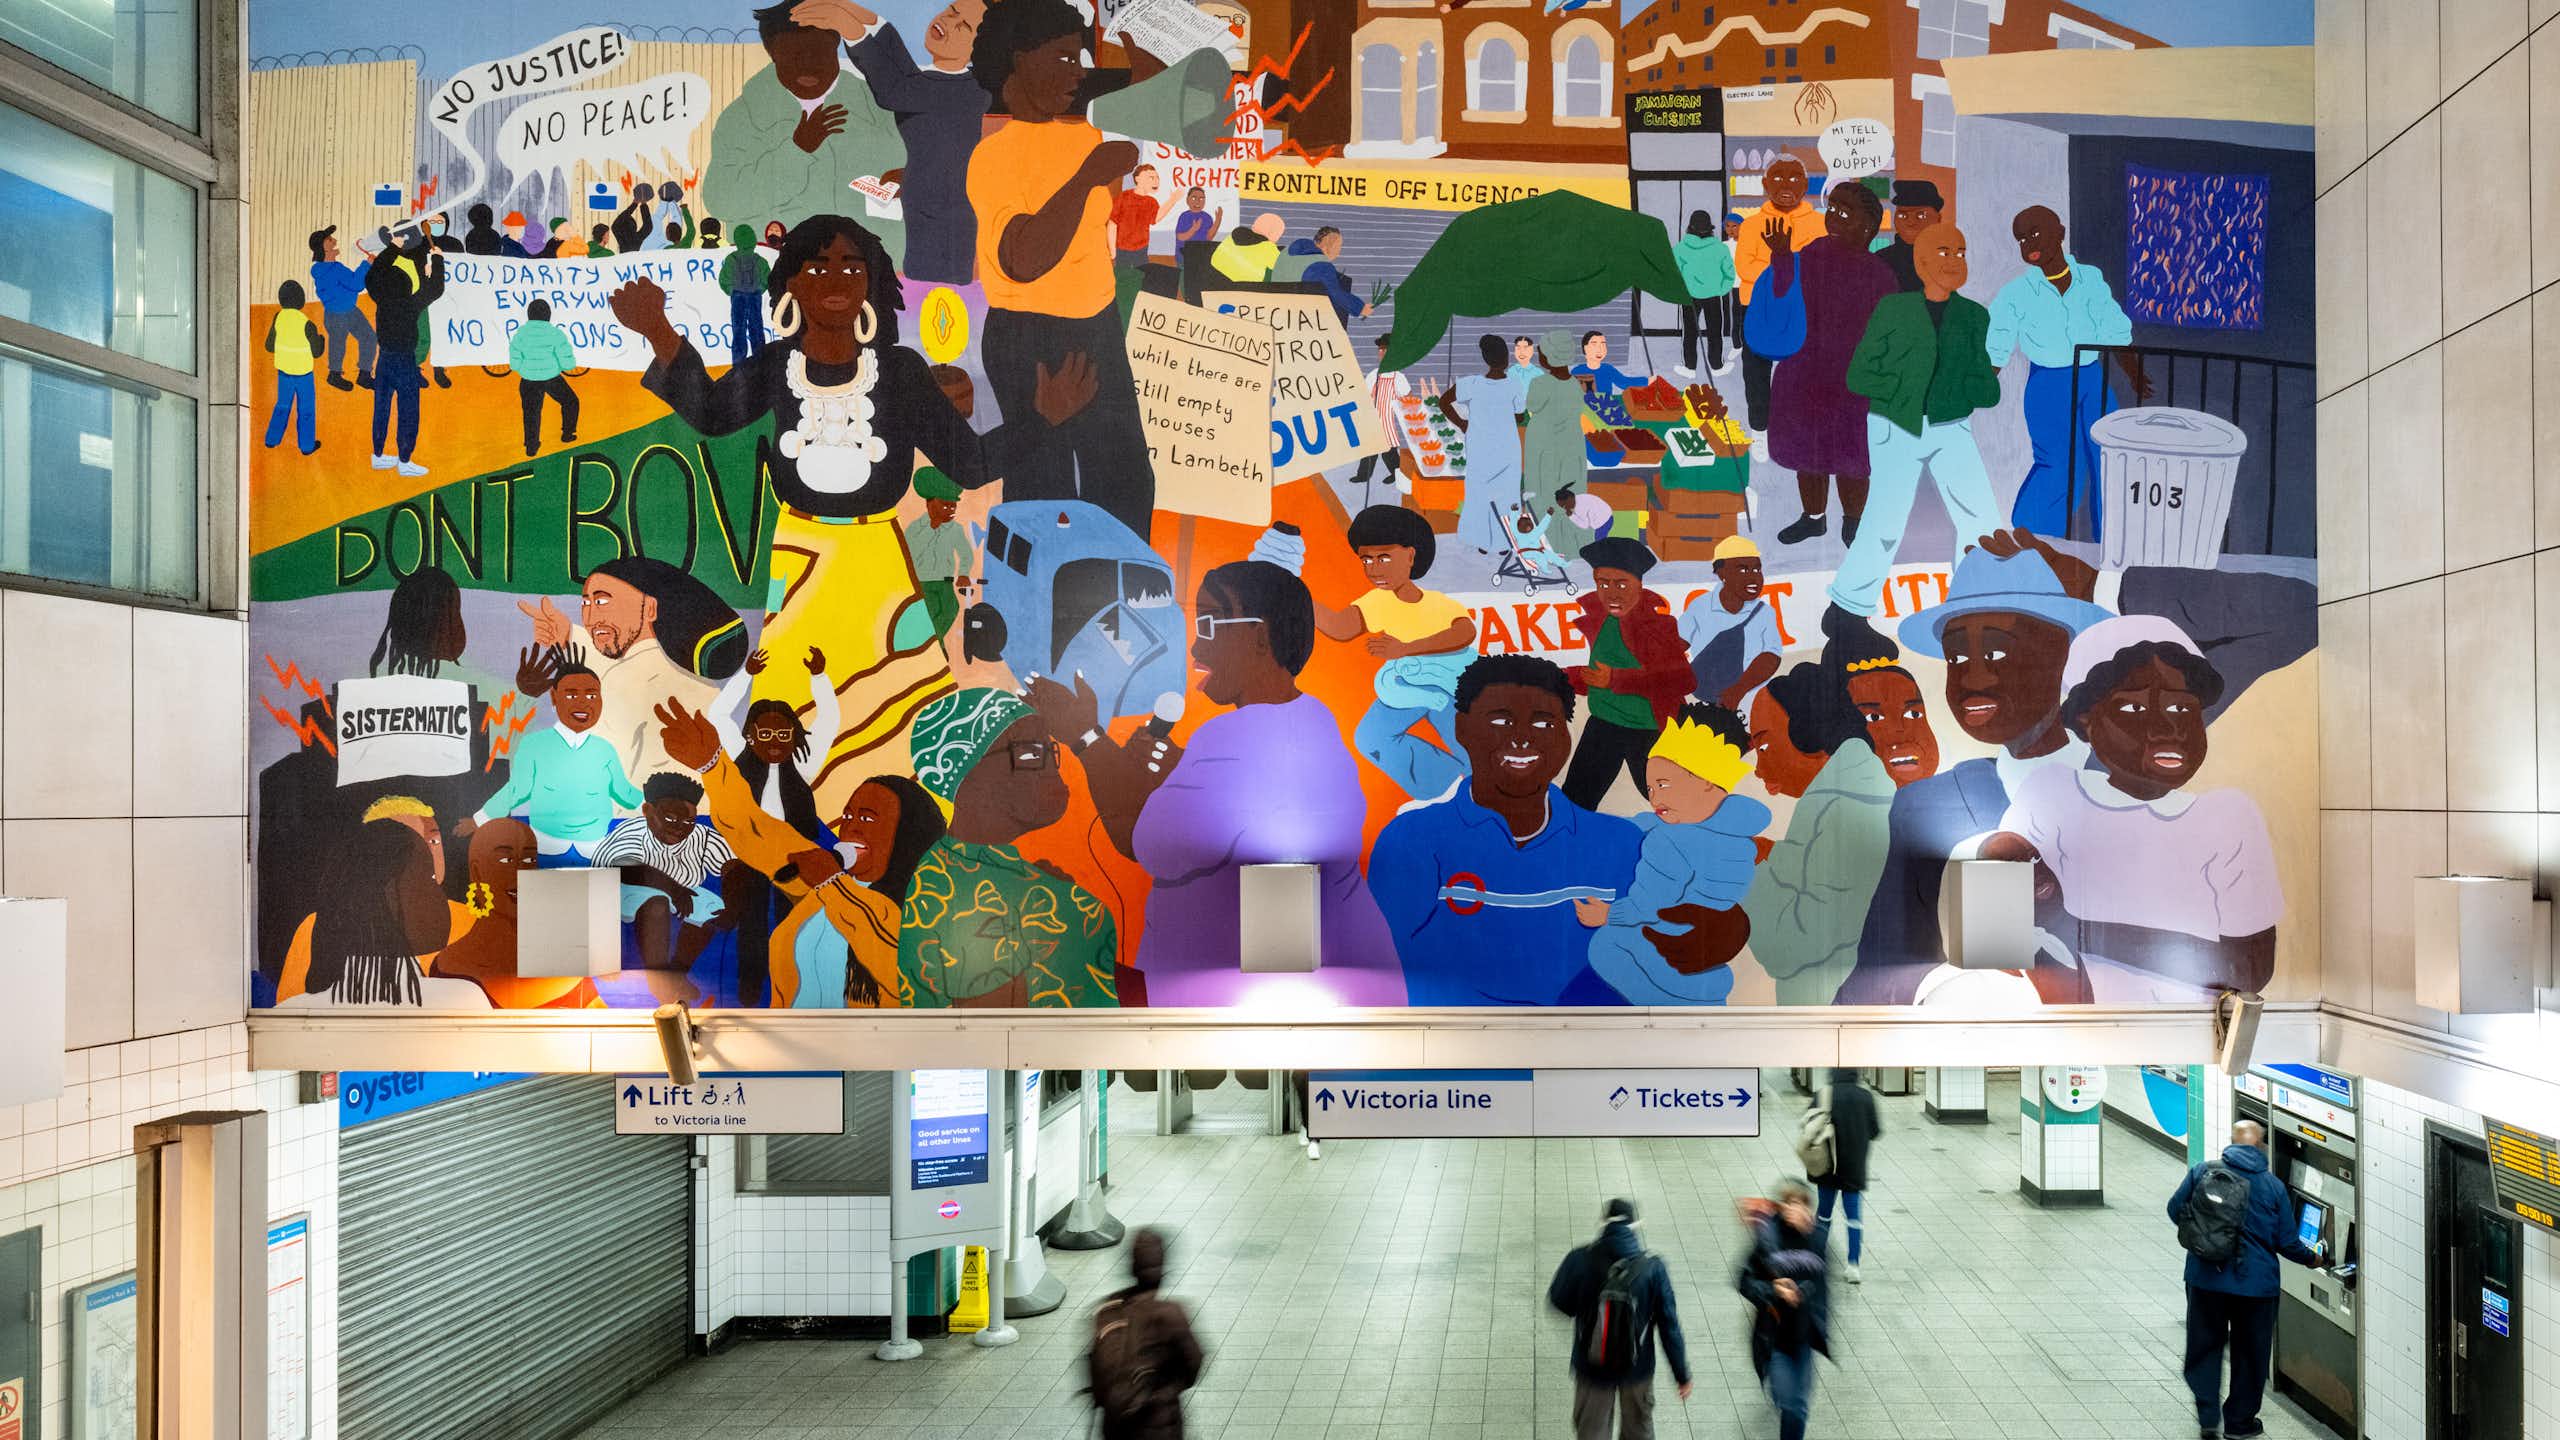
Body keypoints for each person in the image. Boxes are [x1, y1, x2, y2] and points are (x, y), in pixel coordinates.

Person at [612, 215, 1081, 791]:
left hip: (878, 565)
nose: (835, 276)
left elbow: (969, 465)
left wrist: (1042, 424)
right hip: (800, 557)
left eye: (851, 266)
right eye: (817, 265)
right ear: (791, 285)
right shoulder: (774, 369)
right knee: (786, 705)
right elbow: (711, 413)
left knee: (892, 707)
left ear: (871, 283)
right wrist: (658, 330)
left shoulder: (901, 373)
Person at [1032, 561, 1405, 1006]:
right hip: (1293, 1003)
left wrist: (1083, 734)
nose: (1194, 646)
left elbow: (1136, 840)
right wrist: (1182, 778)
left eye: (1208, 623)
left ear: (1259, 637)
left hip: (1240, 1016)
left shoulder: (1234, 738)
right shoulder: (1310, 719)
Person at [1983, 614, 2282, 1001]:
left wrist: (2071, 925)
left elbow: (2250, 969)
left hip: (2189, 1039)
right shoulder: (2051, 795)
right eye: (2135, 710)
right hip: (2072, 1030)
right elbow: (1995, 938)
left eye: (2181, 710)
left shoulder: (2227, 817)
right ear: (2086, 721)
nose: (2166, 729)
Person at [965, 0, 1156, 532]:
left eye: (1080, 60)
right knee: (1041, 485)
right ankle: (1033, 605)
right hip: (1030, 336)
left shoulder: (1080, 134)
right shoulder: (995, 154)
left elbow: (1158, 86)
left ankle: (1127, 598)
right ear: (1015, 60)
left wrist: (1136, 41)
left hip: (1095, 325)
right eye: (1063, 59)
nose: (1077, 74)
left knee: (1125, 480)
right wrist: (1088, 176)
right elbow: (1023, 261)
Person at [1367, 656, 1644, 1005]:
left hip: (1587, 1051)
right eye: (1501, 720)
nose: (1523, 738)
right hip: (1460, 1052)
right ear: (1462, 729)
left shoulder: (1623, 844)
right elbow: (1400, 974)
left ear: (1566, 738)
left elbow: (1646, 965)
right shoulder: (1410, 842)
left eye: (1544, 723)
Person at [1829, 220, 2001, 625]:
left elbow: (1986, 391)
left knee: (1982, 519)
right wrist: (1904, 387)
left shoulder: (1974, 316)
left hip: (1951, 426)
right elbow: (1859, 375)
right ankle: (1847, 609)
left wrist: (1972, 385)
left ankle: (1974, 603)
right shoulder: (1894, 309)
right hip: (1895, 426)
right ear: (1921, 263)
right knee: (1885, 520)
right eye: (1944, 252)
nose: (1954, 261)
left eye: (1961, 252)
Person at [900, 687, 1119, 1006]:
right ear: (968, 777)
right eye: (1031, 754)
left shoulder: (977, 868)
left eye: (1050, 750)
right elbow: (994, 1038)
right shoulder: (958, 892)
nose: (1053, 769)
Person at [1579, 705, 1769, 1006]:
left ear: (1705, 782)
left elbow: (1648, 902)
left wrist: (1607, 914)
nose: (1654, 796)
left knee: (1604, 946)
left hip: (1663, 942)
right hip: (1707, 947)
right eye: (1652, 787)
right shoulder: (1738, 835)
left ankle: (1653, 1007)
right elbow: (1665, 824)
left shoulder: (1668, 843)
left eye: (1663, 785)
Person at [1741, 649, 1893, 1005]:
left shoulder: (1846, 807)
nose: (1759, 769)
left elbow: (1795, 946)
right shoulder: (1846, 795)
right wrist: (1772, 854)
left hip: (1826, 1008)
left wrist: (1749, 874)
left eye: (1764, 745)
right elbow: (1819, 871)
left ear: (1809, 732)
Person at [803, 0, 992, 285]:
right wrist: (864, 17)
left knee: (934, 287)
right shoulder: (953, 84)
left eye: (962, 26)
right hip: (935, 204)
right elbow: (905, 72)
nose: (947, 22)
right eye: (951, 11)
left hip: (943, 214)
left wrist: (852, 29)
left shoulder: (955, 91)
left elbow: (894, 86)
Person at [1986, 205, 2146, 540]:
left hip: (2092, 380)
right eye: (2022, 238)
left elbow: (2114, 328)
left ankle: (2112, 544)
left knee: (2108, 460)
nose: (2029, 241)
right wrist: (1982, 385)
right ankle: (2032, 538)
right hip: (2048, 383)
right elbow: (1997, 344)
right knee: (2058, 465)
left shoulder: (2090, 279)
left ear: (2059, 233)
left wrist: (2132, 371)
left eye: (2036, 232)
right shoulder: (2017, 293)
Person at [517, 556, 742, 791]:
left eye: (603, 601)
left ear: (651, 608)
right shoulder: (694, 679)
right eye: (586, 604)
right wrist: (568, 635)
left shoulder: (627, 682)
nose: (591, 618)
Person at [702, 3, 908, 256]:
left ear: (835, 47)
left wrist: (912, 179)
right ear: (773, 53)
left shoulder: (877, 106)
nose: (808, 66)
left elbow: (929, 166)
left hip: (871, 271)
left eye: (819, 53)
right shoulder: (743, 117)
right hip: (781, 273)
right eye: (794, 55)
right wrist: (797, 151)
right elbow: (720, 199)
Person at [2169, 1120, 2326, 1440]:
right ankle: (2240, 1423)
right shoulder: (2272, 1186)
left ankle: (2208, 1418)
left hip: (2205, 1279)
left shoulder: (2203, 1172)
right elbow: (2286, 1241)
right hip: (2255, 1287)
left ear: (2232, 1142)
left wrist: (2202, 1237)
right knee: (2250, 1353)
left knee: (2204, 1346)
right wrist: (2313, 1259)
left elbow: (2174, 1209)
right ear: (2261, 1146)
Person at [1314, 506, 1476, 801]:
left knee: (1471, 752)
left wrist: (1405, 649)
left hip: (1451, 687)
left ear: (1411, 556)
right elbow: (1339, 627)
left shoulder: (1438, 603)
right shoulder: (1376, 602)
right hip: (1405, 689)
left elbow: (1464, 632)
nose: (1374, 568)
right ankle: (1446, 787)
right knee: (1372, 738)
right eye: (1366, 559)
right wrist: (1299, 598)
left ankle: (1485, 800)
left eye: (1384, 557)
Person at [1768, 180, 1894, 548]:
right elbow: (1784, 291)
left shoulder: (1879, 273)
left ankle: (1854, 522)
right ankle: (1814, 518)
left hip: (1854, 377)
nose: (1835, 216)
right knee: (1808, 451)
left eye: (1845, 211)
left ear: (1869, 226)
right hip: (1805, 370)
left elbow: (1889, 329)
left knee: (1852, 453)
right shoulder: (1813, 253)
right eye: (1833, 208)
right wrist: (1780, 256)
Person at [464, 657, 640, 861]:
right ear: (554, 697)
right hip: (546, 847)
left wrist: (654, 804)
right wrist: (480, 819)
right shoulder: (534, 745)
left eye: (592, 696)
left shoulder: (604, 749)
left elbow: (624, 791)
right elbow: (516, 789)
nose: (583, 703)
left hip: (596, 848)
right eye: (572, 695)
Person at [1562, 537, 1692, 811]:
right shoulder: (1602, 621)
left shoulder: (1657, 626)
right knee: (1574, 803)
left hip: (1648, 731)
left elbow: (1683, 680)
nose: (1611, 593)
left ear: (1639, 584)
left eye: (1621, 584)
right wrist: (1565, 679)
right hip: (1603, 725)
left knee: (1673, 806)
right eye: (1603, 584)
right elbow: (1599, 673)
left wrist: (1616, 680)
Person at [591, 771, 743, 1003]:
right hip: (622, 890)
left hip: (679, 891)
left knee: (713, 905)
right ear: (647, 811)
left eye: (688, 821)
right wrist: (674, 889)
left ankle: (677, 974)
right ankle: (658, 978)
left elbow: (733, 867)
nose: (679, 828)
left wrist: (733, 908)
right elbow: (627, 868)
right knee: (657, 903)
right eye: (671, 819)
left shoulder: (700, 837)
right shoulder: (633, 832)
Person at [1548, 1198, 1691, 1440]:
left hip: (1591, 1366)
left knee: (1592, 1431)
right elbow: (1669, 1326)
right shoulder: (1654, 1268)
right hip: (1638, 1368)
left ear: (1604, 1223)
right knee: (1638, 1430)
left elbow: (1559, 1301)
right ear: (1636, 1226)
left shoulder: (1580, 1258)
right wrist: (1681, 1374)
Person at [428, 819, 606, 1009]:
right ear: (477, 872)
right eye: (506, 860)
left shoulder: (574, 961)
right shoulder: (450, 965)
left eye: (529, 860)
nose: (521, 872)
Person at [1732, 155, 1828, 434]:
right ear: (1764, 184)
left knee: (1804, 371)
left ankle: (1797, 427)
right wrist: (1788, 264)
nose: (1786, 184)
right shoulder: (1750, 226)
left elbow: (1821, 270)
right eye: (1777, 177)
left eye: (1794, 177)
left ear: (1806, 184)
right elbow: (1745, 267)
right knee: (1756, 373)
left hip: (1804, 311)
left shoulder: (1820, 225)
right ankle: (1760, 429)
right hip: (1756, 308)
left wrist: (1782, 262)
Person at [1088, 1228, 1204, 1440]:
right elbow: (1193, 1364)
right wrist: (1170, 1389)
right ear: (1162, 1270)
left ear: (1132, 1267)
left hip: (1116, 1427)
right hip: (1159, 1425)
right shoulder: (1170, 1315)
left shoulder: (1108, 1311)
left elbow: (1094, 1371)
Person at [1737, 1180, 1829, 1440]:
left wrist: (1802, 1293)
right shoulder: (1768, 1238)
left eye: (1799, 1203)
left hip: (1804, 1337)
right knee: (1786, 1400)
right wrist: (1774, 1291)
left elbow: (1822, 1285)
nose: (1792, 1209)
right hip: (1774, 1337)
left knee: (1798, 1408)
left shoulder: (1818, 1239)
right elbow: (1744, 1281)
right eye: (1788, 1203)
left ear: (1808, 1208)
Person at [1435, 334, 1527, 553]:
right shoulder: (1514, 385)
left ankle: (1482, 542)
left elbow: (1443, 402)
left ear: (1486, 359)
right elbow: (1520, 416)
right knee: (1507, 494)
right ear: (1506, 359)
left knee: (1480, 494)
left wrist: (1463, 423)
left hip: (1480, 447)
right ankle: (1504, 542)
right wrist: (1501, 420)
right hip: (1507, 448)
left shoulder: (1471, 384)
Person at [363, 225, 442, 477]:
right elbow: (436, 289)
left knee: (382, 407)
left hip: (384, 359)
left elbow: (373, 276)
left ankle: (377, 454)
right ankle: (405, 460)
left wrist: (392, 248)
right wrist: (437, 261)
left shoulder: (380, 296)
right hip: (406, 361)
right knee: (408, 410)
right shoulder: (411, 303)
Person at [1677, 535, 1781, 712]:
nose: (1753, 578)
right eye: (1742, 570)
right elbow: (1677, 645)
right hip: (1704, 702)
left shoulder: (1764, 612)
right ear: (1721, 573)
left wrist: (1738, 691)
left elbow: (1771, 656)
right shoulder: (1701, 606)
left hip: (1750, 702)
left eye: (1757, 570)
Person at [1806, 1067, 1881, 1282]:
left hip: (1827, 1164)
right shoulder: (1866, 1097)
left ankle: (1816, 1261)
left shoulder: (1823, 1094)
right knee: (1854, 1218)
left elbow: (1808, 1125)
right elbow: (1876, 1131)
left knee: (1824, 1215)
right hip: (1854, 1167)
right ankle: (1853, 1265)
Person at [1522, 331, 1589, 537]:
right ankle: (1569, 540)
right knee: (1567, 498)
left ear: (1550, 356)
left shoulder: (1541, 383)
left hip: (1545, 448)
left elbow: (1531, 405)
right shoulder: (1575, 384)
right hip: (1571, 445)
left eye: (1541, 352)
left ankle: (1545, 539)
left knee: (1545, 495)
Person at [902, 467, 974, 644]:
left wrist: (964, 573)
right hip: (922, 583)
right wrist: (930, 530)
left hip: (945, 581)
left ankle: (933, 644)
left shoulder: (955, 530)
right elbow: (908, 554)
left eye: (953, 506)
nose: (950, 510)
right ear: (929, 504)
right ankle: (934, 647)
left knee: (951, 609)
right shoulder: (915, 528)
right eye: (945, 504)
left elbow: (966, 554)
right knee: (929, 615)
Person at [508, 299, 580, 457]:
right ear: (548, 315)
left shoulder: (521, 334)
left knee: (531, 412)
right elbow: (567, 361)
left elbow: (514, 361)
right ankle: (567, 434)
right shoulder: (555, 334)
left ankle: (531, 446)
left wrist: (523, 368)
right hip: (551, 378)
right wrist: (562, 366)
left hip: (528, 380)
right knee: (571, 402)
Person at [306, 226, 373, 391]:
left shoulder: (329, 268)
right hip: (339, 314)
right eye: (329, 240)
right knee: (342, 344)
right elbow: (356, 284)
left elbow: (351, 283)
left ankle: (361, 375)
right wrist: (366, 264)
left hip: (345, 311)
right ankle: (339, 375)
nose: (335, 241)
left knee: (366, 338)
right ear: (323, 248)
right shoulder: (333, 270)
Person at [1674, 209, 1736, 376]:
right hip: (1713, 296)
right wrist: (1721, 290)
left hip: (1689, 296)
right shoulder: (1720, 248)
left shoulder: (1680, 248)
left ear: (1690, 228)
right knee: (1715, 331)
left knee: (1690, 332)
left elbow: (1675, 274)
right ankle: (1716, 366)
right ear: (1710, 229)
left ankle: (1689, 368)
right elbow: (1729, 273)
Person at [262, 280, 322, 455]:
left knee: (282, 405)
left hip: (284, 372)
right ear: (301, 300)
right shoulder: (307, 323)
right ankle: (306, 446)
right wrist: (321, 340)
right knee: (306, 409)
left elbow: (269, 346)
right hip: (303, 373)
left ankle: (271, 440)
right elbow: (317, 352)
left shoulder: (278, 318)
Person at [1349, 332, 1410, 498]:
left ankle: (1396, 474)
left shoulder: (1398, 376)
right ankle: (1363, 475)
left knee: (1388, 451)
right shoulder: (1374, 374)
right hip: (1373, 417)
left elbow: (1405, 394)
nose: (1382, 353)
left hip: (1387, 418)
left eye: (1386, 350)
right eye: (1380, 350)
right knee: (1369, 449)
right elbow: (1366, 393)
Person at [1277, 225, 1368, 325]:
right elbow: (1337, 294)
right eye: (1338, 246)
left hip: (1278, 312)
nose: (1338, 253)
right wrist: (1361, 309)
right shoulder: (1322, 266)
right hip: (1302, 319)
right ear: (1327, 246)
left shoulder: (1288, 252)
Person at [1111, 162, 1162, 317]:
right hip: (1122, 248)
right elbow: (1112, 223)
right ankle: (1121, 311)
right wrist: (1112, 250)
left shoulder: (1152, 202)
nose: (1156, 181)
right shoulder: (1124, 197)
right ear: (1138, 178)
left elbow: (1156, 219)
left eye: (1157, 178)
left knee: (1142, 281)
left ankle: (1137, 313)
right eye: (1151, 177)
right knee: (1122, 281)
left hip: (1141, 248)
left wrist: (1172, 201)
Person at [718, 223, 772, 366]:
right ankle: (761, 363)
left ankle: (738, 366)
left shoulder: (731, 259)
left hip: (738, 297)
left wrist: (732, 291)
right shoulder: (760, 260)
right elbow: (768, 279)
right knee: (757, 329)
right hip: (755, 296)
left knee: (738, 331)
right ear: (753, 239)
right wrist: (760, 289)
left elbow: (723, 280)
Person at [1875, 180, 1941, 293]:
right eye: (1902, 215)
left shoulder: (1946, 258)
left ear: (1938, 219)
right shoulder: (1881, 260)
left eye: (1921, 215)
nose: (1910, 222)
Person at [1172, 186, 1221, 302]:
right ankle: (1187, 301)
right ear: (1187, 200)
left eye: (1201, 199)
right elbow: (1180, 236)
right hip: (1184, 258)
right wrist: (1193, 229)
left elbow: (1209, 236)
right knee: (1185, 283)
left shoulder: (1207, 217)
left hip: (1201, 257)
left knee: (1200, 284)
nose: (1198, 201)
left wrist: (1218, 220)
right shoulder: (1184, 216)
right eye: (1194, 198)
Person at [1209, 211, 1284, 282]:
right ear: (1273, 235)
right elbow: (1280, 268)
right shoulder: (1269, 247)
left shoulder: (1233, 235)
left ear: (1253, 226)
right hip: (1248, 283)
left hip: (1218, 270)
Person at [1571, 331, 1645, 398]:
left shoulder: (1607, 369)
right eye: (1594, 344)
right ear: (1585, 348)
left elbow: (1624, 382)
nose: (1600, 349)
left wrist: (1648, 380)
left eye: (1603, 344)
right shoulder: (1577, 371)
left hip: (1606, 407)